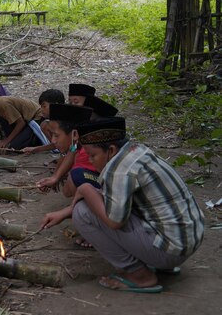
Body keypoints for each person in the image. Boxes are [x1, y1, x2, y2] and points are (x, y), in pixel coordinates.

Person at [40, 117, 205, 293]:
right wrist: (65, 212)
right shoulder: (136, 151)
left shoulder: (119, 170)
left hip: (171, 250)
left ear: (110, 150)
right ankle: (158, 263)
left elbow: (114, 222)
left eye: (93, 155)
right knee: (88, 205)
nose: (91, 161)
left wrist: (86, 189)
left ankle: (140, 276)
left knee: (83, 213)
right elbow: (114, 200)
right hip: (187, 239)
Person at [36, 104, 99, 198]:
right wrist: (55, 178)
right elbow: (72, 150)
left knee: (73, 178)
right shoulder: (79, 142)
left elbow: (67, 192)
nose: (53, 141)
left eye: (56, 135)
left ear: (74, 135)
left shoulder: (86, 153)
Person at [22, 89, 65, 154]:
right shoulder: (47, 124)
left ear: (55, 105)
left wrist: (35, 149)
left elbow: (59, 143)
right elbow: (55, 144)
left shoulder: (66, 122)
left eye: (44, 106)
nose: (41, 110)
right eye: (41, 106)